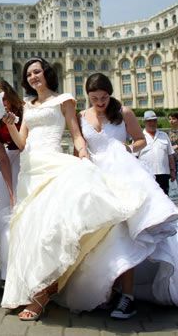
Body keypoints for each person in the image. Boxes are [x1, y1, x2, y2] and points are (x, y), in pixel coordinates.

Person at [0, 57, 144, 321]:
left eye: (37, 72)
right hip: (30, 171)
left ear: (47, 74)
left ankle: (41, 295)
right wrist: (10, 123)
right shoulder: (27, 105)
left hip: (54, 164)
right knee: (29, 232)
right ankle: (35, 287)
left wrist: (84, 157)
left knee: (48, 229)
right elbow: (21, 143)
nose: (33, 77)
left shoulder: (64, 99)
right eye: (29, 74)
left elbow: (76, 133)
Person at [56, 73, 178, 318]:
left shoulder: (124, 112)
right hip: (95, 179)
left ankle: (128, 296)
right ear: (87, 97)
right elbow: (80, 146)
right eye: (95, 98)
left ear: (110, 93)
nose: (100, 102)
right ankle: (108, 290)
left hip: (123, 175)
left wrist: (128, 148)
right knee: (101, 235)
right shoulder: (82, 117)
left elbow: (141, 140)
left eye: (104, 97)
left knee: (126, 233)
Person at [0, 80, 23, 283]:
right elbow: (1, 156)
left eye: (5, 98)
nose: (4, 104)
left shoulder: (25, 110)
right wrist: (10, 191)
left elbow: (25, 145)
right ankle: (8, 273)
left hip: (28, 159)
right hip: (9, 163)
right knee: (4, 215)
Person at [138, 110, 176, 194]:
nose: (152, 123)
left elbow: (170, 154)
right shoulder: (139, 137)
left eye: (154, 120)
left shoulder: (164, 135)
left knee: (164, 200)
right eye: (149, 121)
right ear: (145, 122)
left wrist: (173, 171)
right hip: (146, 175)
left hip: (164, 174)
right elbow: (134, 157)